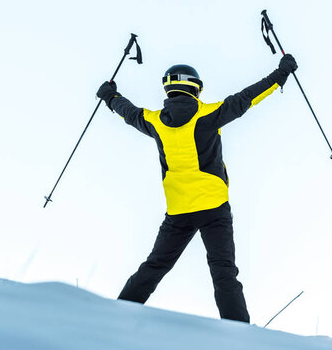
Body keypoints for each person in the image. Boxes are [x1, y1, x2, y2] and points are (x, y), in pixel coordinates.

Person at [96, 54, 298, 323]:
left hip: (179, 211)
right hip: (214, 208)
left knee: (155, 266)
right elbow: (248, 97)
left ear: (168, 89)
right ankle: (238, 331)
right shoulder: (209, 114)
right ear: (196, 87)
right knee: (224, 272)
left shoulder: (155, 121)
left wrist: (110, 96)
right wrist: (281, 73)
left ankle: (117, 315)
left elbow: (129, 113)